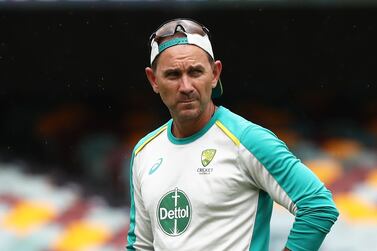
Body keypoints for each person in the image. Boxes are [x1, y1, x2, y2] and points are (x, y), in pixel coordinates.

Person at [127, 18, 339, 251]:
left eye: (195, 72)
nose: (186, 86)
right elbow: (140, 246)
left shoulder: (249, 140)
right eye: (173, 75)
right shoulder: (143, 153)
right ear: (154, 80)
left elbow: (318, 206)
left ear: (215, 73)